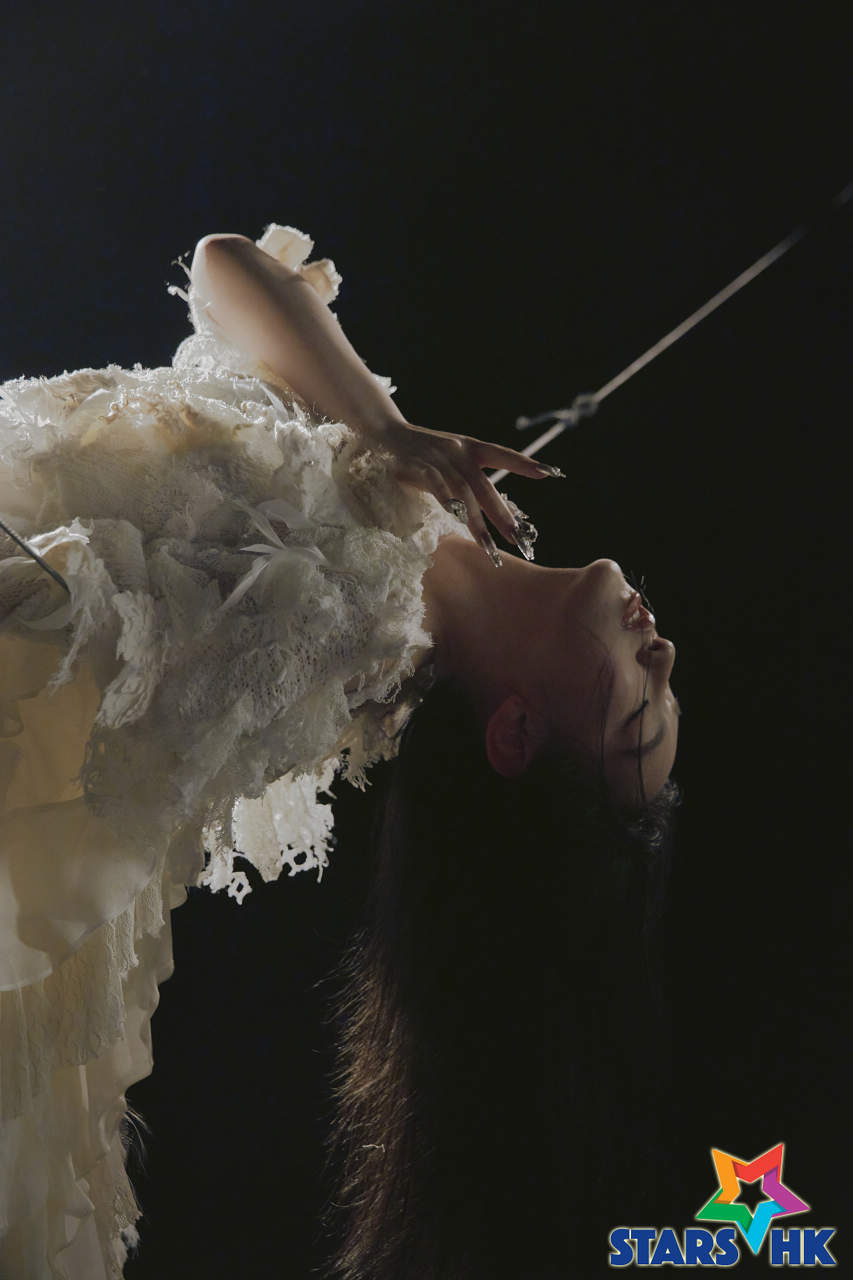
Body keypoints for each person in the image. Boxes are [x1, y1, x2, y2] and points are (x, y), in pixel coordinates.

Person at [0, 222, 679, 1278]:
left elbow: (54, 667)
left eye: (643, 709)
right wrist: (385, 427)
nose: (664, 654)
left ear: (514, 730)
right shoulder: (422, 500)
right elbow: (224, 265)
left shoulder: (334, 644)